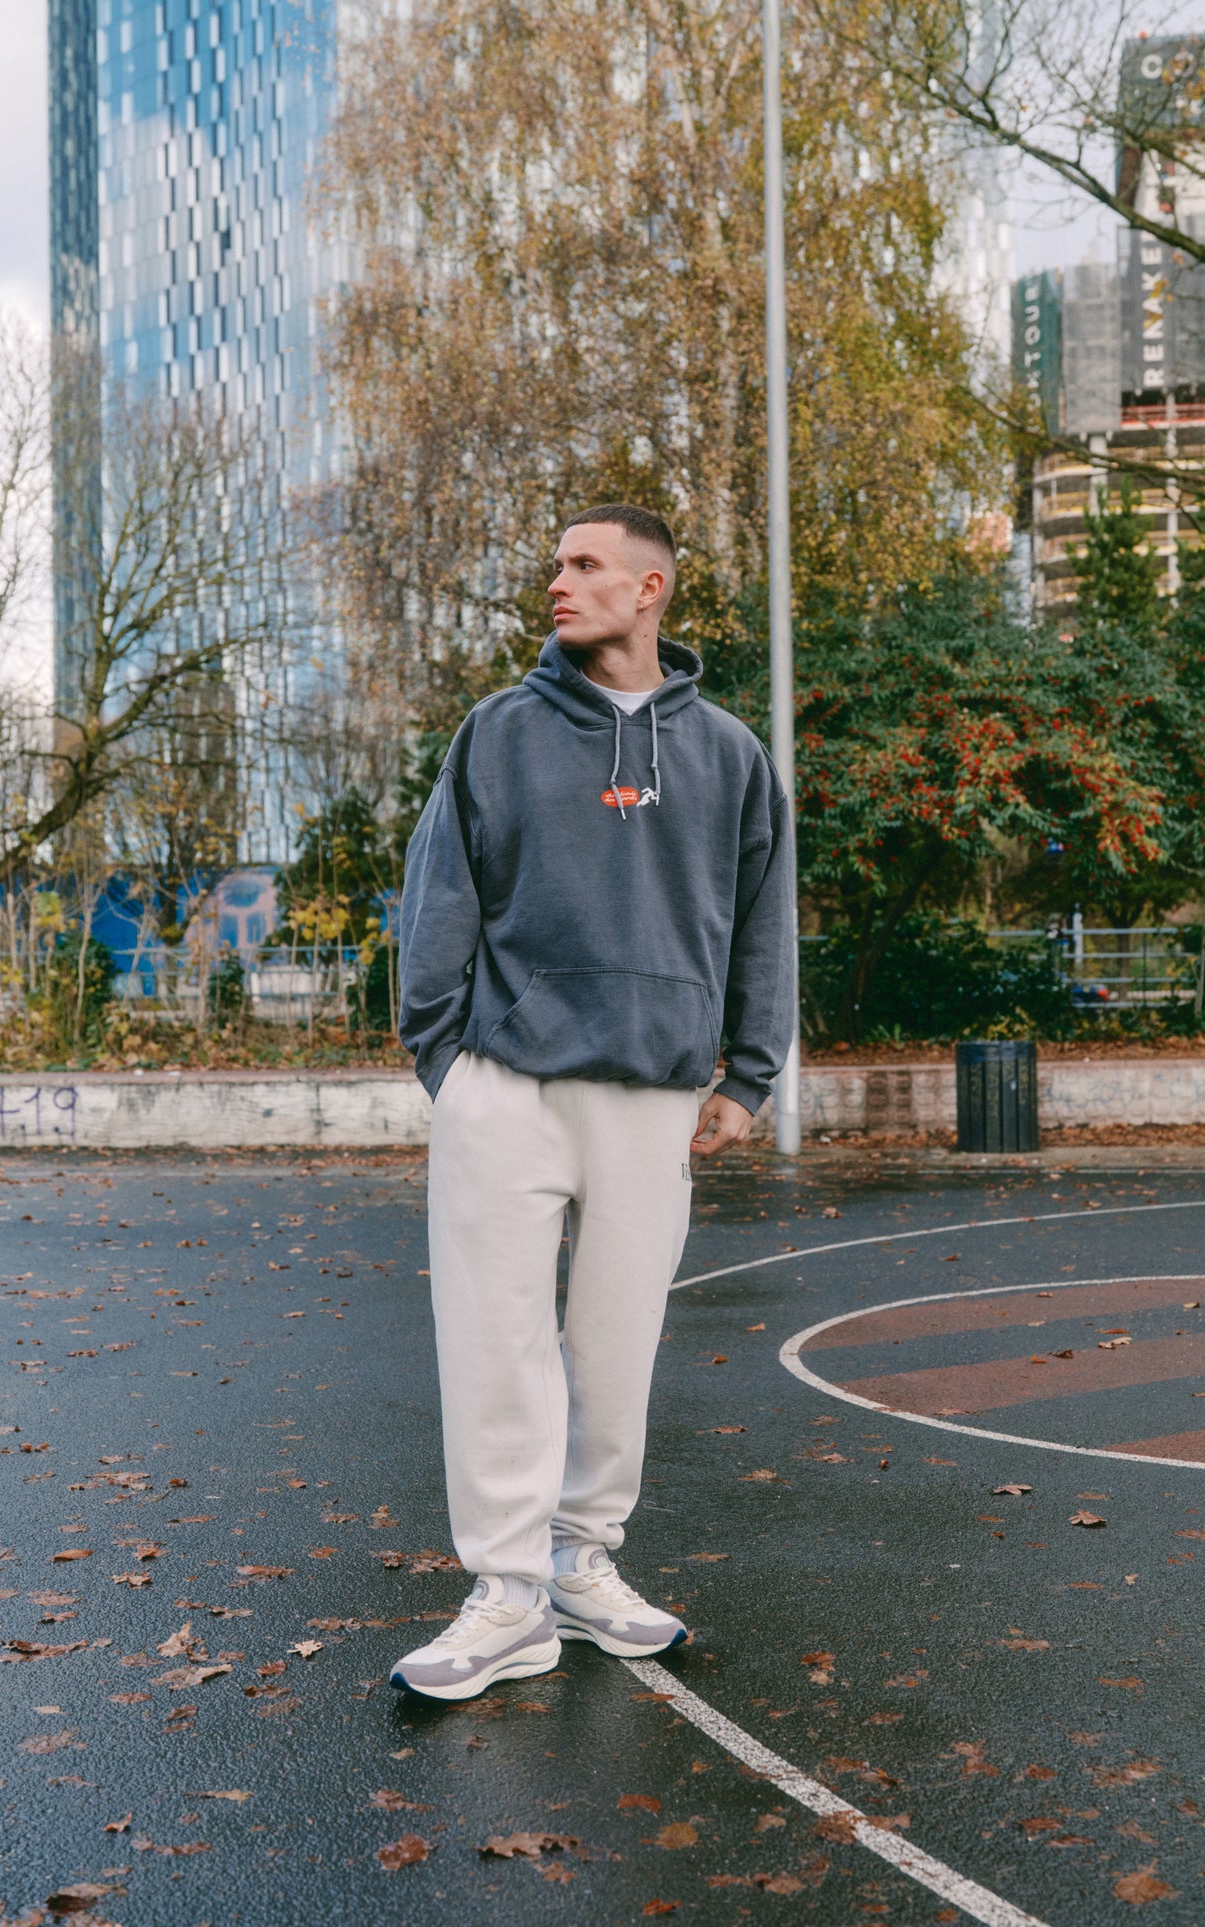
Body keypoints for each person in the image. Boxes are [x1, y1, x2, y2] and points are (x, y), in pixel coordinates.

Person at [390, 503, 794, 1702]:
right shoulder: (498, 731)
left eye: (582, 564)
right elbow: (437, 899)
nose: (556, 583)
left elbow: (762, 921)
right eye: (553, 564)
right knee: (493, 1344)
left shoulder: (727, 752)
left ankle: (580, 1564)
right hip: (505, 1088)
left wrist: (750, 1073)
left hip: (653, 1098)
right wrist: (448, 1067)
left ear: (649, 587)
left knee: (616, 1347)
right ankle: (506, 1593)